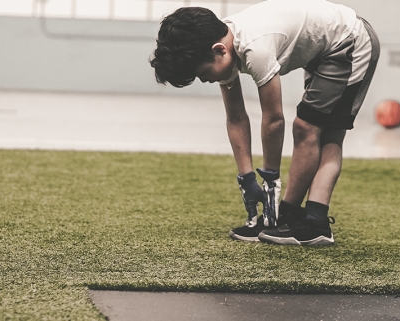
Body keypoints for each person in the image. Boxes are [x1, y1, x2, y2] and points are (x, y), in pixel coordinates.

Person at [149, 0, 380, 246]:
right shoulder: (221, 42)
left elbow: (273, 119)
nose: (205, 80)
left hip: (350, 41)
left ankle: (307, 221)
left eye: (203, 74)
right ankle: (290, 218)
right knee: (313, 129)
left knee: (315, 130)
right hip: (323, 51)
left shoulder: (254, 48)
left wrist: (271, 181)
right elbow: (236, 118)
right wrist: (247, 178)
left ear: (219, 50)